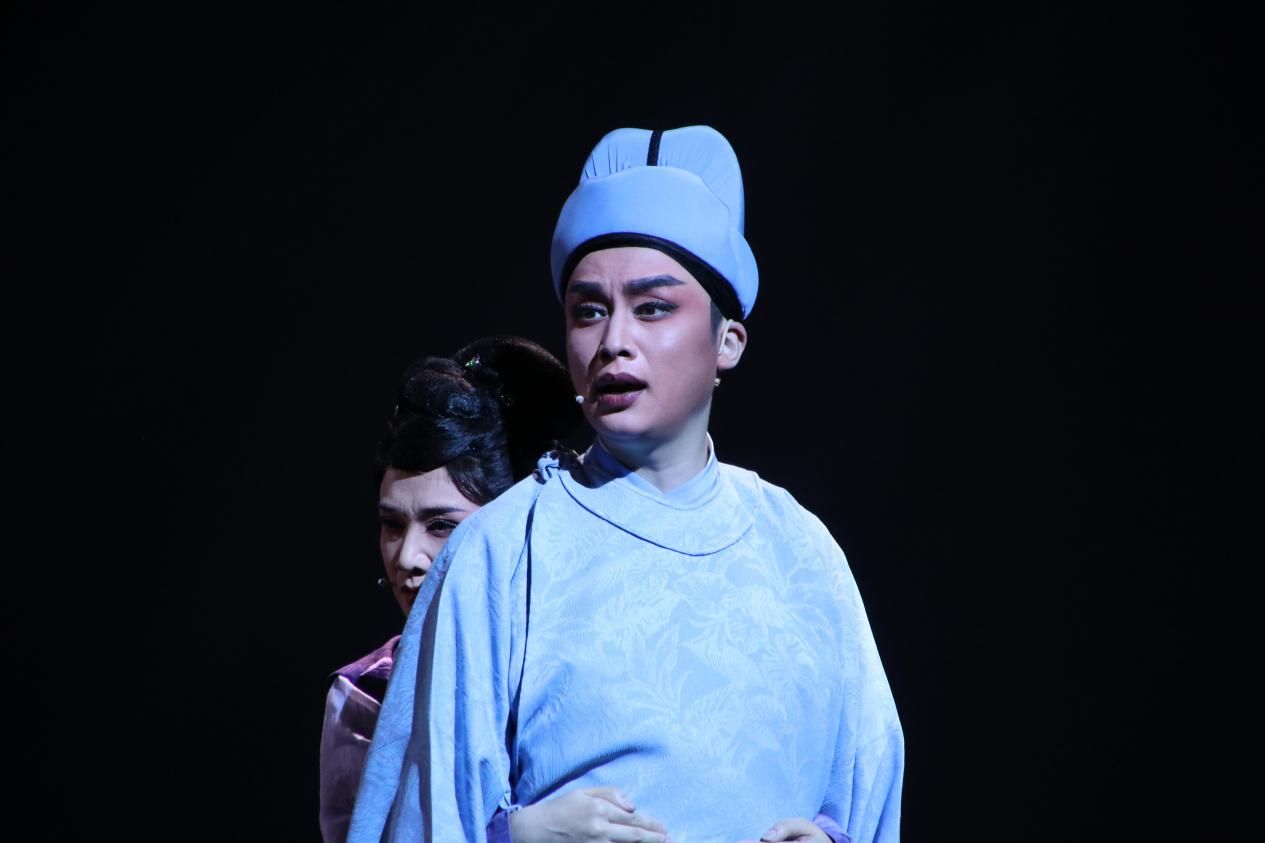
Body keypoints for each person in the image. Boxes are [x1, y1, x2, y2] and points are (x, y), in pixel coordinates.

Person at [348, 127, 903, 843]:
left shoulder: (801, 552)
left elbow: (868, 792)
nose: (613, 341)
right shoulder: (502, 552)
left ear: (728, 339)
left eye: (651, 308)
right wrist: (513, 836)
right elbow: (417, 819)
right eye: (588, 311)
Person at [322, 336, 673, 843]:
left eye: (442, 526)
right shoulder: (368, 694)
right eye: (393, 525)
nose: (408, 557)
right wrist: (516, 833)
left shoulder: (587, 658)